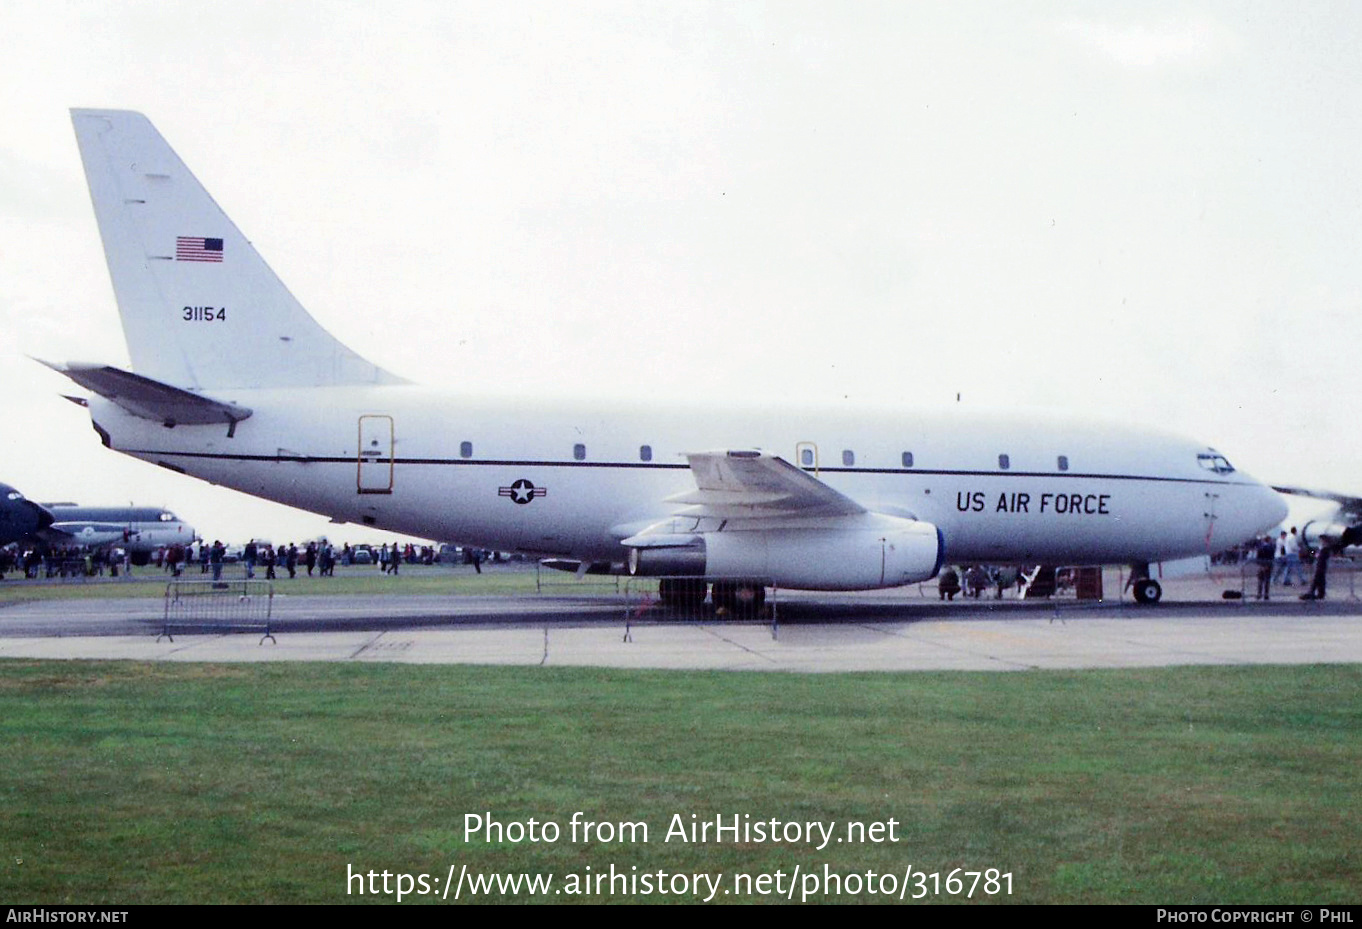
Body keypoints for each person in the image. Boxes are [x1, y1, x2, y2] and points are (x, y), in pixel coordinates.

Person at [1302, 536, 1335, 601]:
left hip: (1321, 566)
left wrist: (1315, 554)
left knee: (1316, 579)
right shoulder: (1322, 548)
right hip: (1320, 565)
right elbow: (1315, 554)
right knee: (1321, 580)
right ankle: (1320, 593)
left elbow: (1320, 556)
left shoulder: (1325, 549)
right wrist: (1311, 552)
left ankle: (1311, 592)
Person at [1255, 534, 1276, 600]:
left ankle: (1259, 594)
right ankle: (1266, 595)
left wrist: (1261, 565)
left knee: (1260, 581)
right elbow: (1271, 557)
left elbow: (1258, 557)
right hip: (1268, 565)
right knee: (1267, 581)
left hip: (1261, 565)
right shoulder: (1271, 548)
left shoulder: (1260, 548)